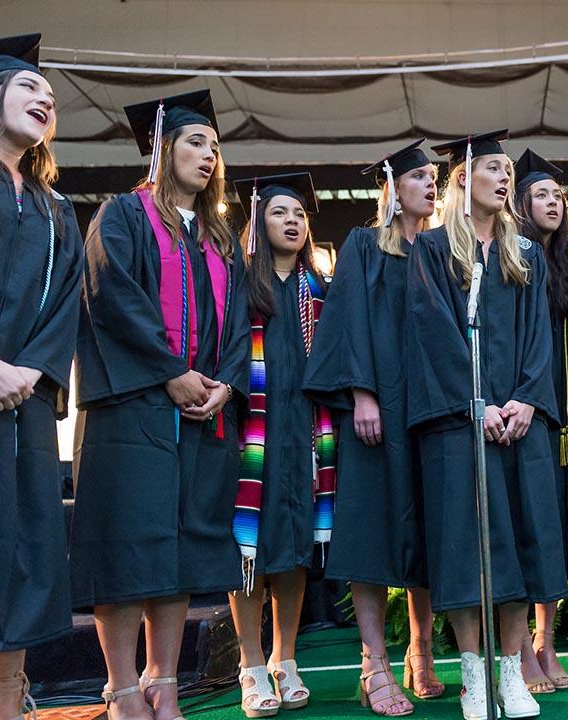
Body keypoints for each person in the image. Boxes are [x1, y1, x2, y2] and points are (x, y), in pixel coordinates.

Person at [71, 90, 250, 720]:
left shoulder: (221, 238)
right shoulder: (122, 216)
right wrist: (171, 372)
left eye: (214, 147)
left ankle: (164, 681)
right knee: (128, 546)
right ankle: (122, 688)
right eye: (195, 142)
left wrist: (226, 382)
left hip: (202, 414)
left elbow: (236, 329)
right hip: (135, 409)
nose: (208, 155)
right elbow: (110, 296)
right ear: (161, 145)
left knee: (179, 548)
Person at [407, 130, 565, 719]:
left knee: (520, 540)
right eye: (493, 169)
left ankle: (510, 672)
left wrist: (524, 399)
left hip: (518, 424)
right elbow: (433, 332)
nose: (504, 179)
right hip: (457, 422)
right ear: (463, 178)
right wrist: (472, 402)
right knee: (464, 548)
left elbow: (538, 339)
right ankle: (472, 672)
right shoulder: (430, 252)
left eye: (507, 171)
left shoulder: (522, 250)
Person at [0, 33, 85, 720]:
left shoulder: (55, 208)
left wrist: (30, 370)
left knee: (17, 537)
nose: (46, 99)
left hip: (23, 399)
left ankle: (5, 693)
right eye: (29, 88)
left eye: (52, 97)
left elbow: (66, 299)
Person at [304, 139, 443, 716]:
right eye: (421, 178)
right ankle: (373, 664)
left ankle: (421, 651)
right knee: (369, 532)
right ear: (393, 186)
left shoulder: (440, 250)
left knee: (430, 527)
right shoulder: (365, 244)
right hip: (376, 405)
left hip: (429, 409)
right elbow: (349, 319)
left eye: (437, 178)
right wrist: (361, 393)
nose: (432, 185)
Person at [227, 172, 330, 717]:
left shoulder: (320, 290)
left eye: (298, 214)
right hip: (253, 439)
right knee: (250, 553)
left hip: (305, 436)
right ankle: (249, 665)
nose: (292, 221)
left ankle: (284, 659)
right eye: (278, 213)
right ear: (258, 223)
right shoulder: (241, 286)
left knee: (292, 551)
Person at [511, 148, 568, 693]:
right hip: (525, 409)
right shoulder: (513, 256)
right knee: (526, 526)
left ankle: (545, 640)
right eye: (541, 194)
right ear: (519, 202)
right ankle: (519, 649)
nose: (554, 202)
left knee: (552, 531)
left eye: (559, 195)